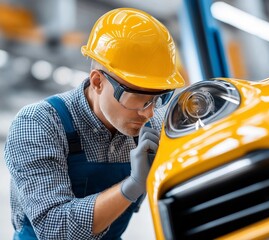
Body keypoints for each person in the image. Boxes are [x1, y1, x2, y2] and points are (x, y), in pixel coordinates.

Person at [4, 8, 185, 240]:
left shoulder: (152, 123)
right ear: (98, 82)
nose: (149, 112)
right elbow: (54, 229)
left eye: (158, 98)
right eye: (136, 98)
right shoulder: (39, 124)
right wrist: (132, 186)